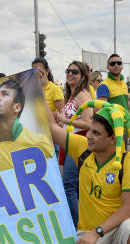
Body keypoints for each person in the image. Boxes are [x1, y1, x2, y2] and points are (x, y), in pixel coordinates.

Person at [45, 98, 130, 244]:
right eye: (90, 129)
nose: (88, 135)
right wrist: (39, 87)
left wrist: (98, 232)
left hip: (115, 231)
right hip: (88, 232)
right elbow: (50, 126)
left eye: (96, 133)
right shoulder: (82, 148)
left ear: (112, 139)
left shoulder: (126, 161)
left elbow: (128, 208)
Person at [56, 61, 93, 228]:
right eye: (68, 71)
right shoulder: (71, 95)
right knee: (72, 187)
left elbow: (89, 123)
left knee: (68, 185)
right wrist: (61, 124)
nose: (70, 74)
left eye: (74, 72)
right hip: (68, 143)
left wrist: (64, 120)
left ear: (83, 76)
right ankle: (77, 224)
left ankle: (78, 227)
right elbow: (69, 123)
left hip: (79, 144)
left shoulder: (82, 95)